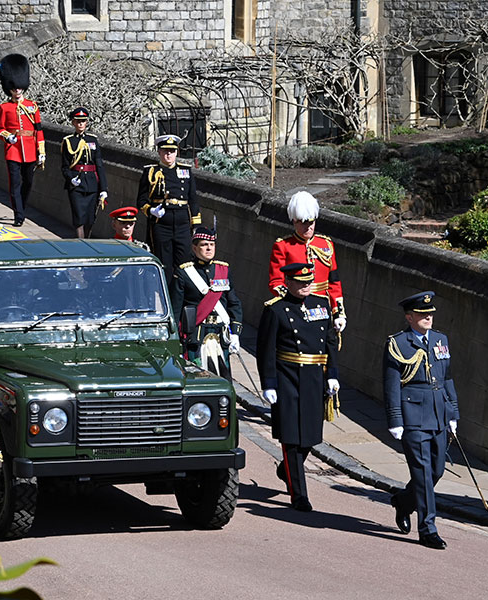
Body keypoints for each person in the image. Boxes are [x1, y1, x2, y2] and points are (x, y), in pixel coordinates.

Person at [256, 263, 340, 512]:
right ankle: (299, 495)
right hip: (287, 377)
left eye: (309, 282)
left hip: (315, 377)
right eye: (301, 282)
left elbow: (330, 342)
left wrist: (333, 374)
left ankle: (286, 469)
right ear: (288, 282)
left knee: (310, 436)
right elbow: (266, 350)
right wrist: (269, 383)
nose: (306, 286)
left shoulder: (322, 305)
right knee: (292, 438)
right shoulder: (276, 309)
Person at [384, 291, 459, 550]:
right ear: (409, 317)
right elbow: (391, 386)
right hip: (413, 417)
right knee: (423, 474)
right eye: (422, 314)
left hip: (439, 414)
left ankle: (404, 502)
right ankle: (428, 529)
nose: (428, 317)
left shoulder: (440, 339)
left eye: (430, 313)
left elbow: (447, 378)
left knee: (436, 471)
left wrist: (454, 413)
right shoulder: (398, 343)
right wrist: (395, 420)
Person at [268, 191, 347, 333]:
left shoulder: (326, 244)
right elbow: (276, 282)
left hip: (323, 309)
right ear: (294, 221)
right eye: (304, 223)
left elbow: (334, 282)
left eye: (311, 222)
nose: (309, 227)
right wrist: (292, 301)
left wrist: (338, 313)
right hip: (295, 307)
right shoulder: (283, 246)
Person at [170, 227, 242, 377]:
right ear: (194, 248)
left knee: (223, 375)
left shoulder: (223, 270)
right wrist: (175, 339)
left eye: (212, 244)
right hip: (196, 334)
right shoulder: (184, 273)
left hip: (219, 332)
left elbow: (233, 303)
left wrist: (235, 333)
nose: (209, 248)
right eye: (204, 245)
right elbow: (176, 308)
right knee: (197, 376)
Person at [137, 134, 200, 286]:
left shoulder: (186, 171)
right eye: (165, 151)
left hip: (182, 223)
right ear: (159, 152)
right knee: (164, 263)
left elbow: (193, 199)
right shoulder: (151, 172)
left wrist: (196, 225)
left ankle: (183, 297)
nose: (168, 154)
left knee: (185, 263)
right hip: (161, 223)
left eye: (172, 151)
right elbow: (141, 200)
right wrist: (151, 210)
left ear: (177, 152)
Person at [0, 53, 44, 227]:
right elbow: (0, 129)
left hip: (30, 149)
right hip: (13, 151)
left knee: (28, 182)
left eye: (19, 88)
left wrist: (42, 152)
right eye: (14, 88)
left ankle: (21, 206)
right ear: (9, 88)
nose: (17, 90)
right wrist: (9, 136)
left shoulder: (32, 106)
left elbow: (38, 130)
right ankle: (18, 214)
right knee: (15, 184)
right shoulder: (4, 107)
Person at [60, 107, 108, 238]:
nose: (81, 124)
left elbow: (99, 165)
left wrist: (103, 188)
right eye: (78, 121)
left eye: (83, 121)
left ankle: (87, 240)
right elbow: (65, 167)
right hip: (76, 184)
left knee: (90, 217)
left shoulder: (93, 140)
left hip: (92, 183)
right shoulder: (68, 141)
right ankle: (81, 241)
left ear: (87, 122)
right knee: (79, 216)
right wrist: (71, 178)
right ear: (73, 123)